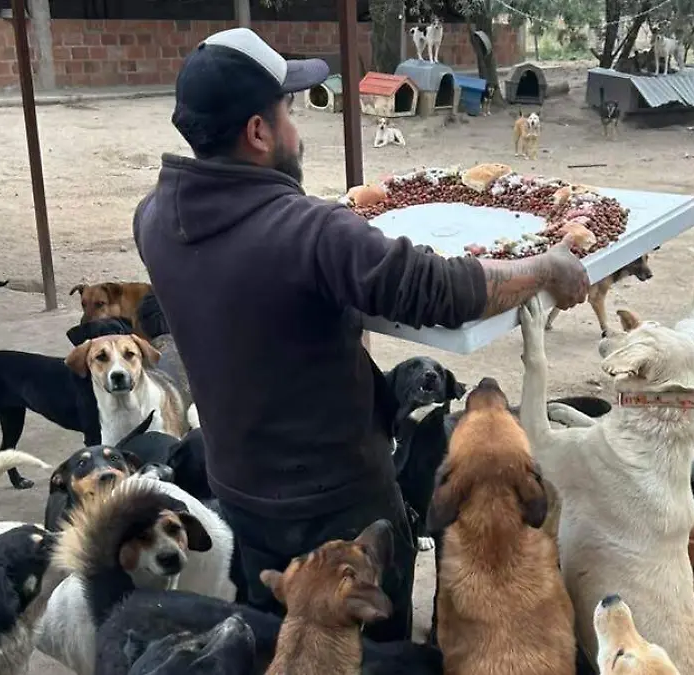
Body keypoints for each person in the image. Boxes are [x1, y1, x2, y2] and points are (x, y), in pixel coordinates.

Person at [131, 28, 590, 640]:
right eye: (289, 111)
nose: (298, 127)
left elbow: (257, 255)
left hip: (241, 488)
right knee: (376, 650)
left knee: (285, 636)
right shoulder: (309, 233)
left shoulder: (155, 217)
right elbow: (443, 289)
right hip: (336, 500)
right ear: (259, 133)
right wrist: (544, 266)